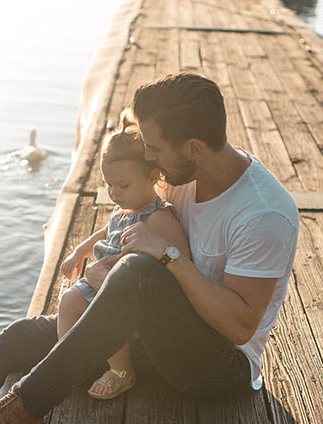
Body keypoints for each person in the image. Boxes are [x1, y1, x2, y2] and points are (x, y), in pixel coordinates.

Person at [0, 72, 299, 424]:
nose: (148, 157)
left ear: (193, 147)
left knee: (138, 273)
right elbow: (138, 220)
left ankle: (14, 412)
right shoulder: (183, 177)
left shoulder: (263, 212)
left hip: (215, 367)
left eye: (155, 147)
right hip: (152, 336)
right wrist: (94, 242)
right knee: (23, 335)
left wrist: (168, 258)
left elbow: (239, 327)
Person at [57, 109, 190, 400]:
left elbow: (181, 258)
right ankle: (69, 362)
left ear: (153, 175)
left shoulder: (158, 218)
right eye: (109, 185)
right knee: (68, 301)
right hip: (101, 280)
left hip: (130, 296)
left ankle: (122, 371)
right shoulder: (124, 209)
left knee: (105, 314)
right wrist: (80, 251)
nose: (114, 193)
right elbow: (105, 233)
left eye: (123, 185)